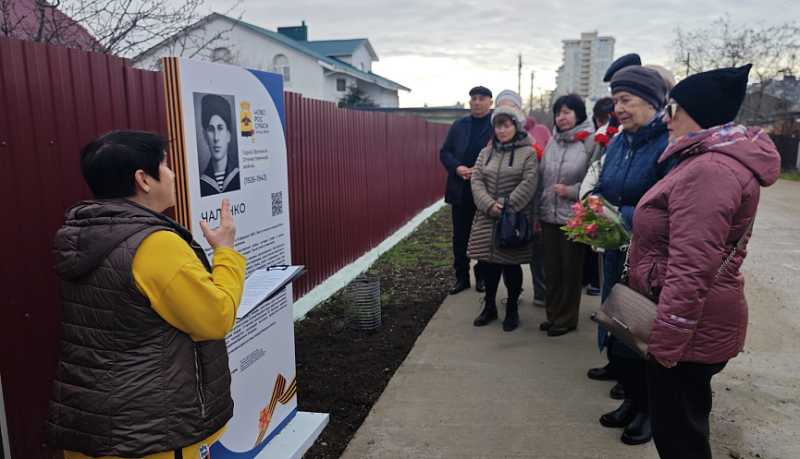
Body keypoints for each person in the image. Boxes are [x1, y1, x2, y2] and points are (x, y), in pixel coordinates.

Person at [46, 131, 247, 458]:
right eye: (165, 166)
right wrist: (226, 253)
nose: (172, 174)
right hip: (152, 433)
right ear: (144, 179)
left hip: (94, 424)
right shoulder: (155, 245)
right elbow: (216, 318)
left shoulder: (80, 233)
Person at [630, 64, 780, 459]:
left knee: (680, 439)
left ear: (691, 111)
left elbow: (692, 268)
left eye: (671, 107)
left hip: (689, 330)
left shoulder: (710, 170)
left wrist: (667, 342)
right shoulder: (708, 160)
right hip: (698, 324)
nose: (666, 117)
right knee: (688, 424)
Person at [590, 65, 675, 446]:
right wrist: (596, 207)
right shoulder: (621, 141)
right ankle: (631, 398)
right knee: (621, 329)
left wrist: (617, 214)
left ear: (653, 102)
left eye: (626, 100)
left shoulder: (666, 145)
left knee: (643, 334)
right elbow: (608, 184)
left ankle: (649, 411)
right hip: (617, 248)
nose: (618, 108)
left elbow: (667, 206)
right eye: (615, 100)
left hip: (650, 257)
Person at [468, 106, 538, 332]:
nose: (502, 130)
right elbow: (476, 181)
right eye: (498, 125)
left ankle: (512, 310)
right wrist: (489, 204)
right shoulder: (485, 153)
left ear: (515, 126)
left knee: (511, 265)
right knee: (488, 264)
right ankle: (489, 306)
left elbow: (529, 182)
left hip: (512, 219)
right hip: (487, 217)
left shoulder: (528, 153)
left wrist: (507, 206)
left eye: (506, 125)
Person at [536, 94, 594, 337]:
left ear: (578, 114)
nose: (562, 117)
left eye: (568, 111)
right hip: (548, 215)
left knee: (570, 271)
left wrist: (571, 191)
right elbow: (542, 175)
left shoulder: (590, 142)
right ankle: (553, 315)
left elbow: (595, 179)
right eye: (559, 112)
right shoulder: (553, 141)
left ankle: (567, 319)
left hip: (574, 218)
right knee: (552, 269)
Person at [494, 89, 547, 306]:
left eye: (512, 106)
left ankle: (542, 292)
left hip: (534, 201)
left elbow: (548, 163)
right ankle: (513, 292)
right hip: (507, 207)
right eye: (502, 107)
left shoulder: (541, 131)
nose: (508, 111)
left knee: (538, 252)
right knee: (509, 251)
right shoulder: (497, 138)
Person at [439, 86, 494, 294]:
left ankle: (481, 277)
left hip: (485, 191)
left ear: (490, 102)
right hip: (460, 188)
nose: (477, 102)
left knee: (483, 235)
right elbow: (445, 152)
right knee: (460, 237)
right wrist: (458, 168)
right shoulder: (459, 125)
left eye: (482, 99)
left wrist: (479, 171)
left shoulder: (495, 125)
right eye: (473, 99)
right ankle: (461, 278)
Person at [200, 93, 241, 196]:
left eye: (220, 128)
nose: (216, 138)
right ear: (205, 136)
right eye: (211, 129)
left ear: (228, 134)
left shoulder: (239, 175)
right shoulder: (202, 183)